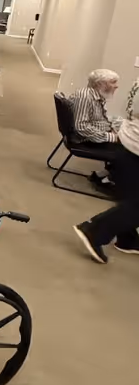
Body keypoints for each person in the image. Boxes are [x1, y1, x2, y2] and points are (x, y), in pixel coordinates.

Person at [73, 78, 139, 262]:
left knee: (132, 197)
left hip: (128, 142)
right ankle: (93, 231)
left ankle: (128, 240)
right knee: (136, 204)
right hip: (135, 149)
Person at [70, 69, 122, 144]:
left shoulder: (96, 96)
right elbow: (81, 127)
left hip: (101, 135)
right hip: (90, 142)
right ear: (100, 84)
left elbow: (98, 119)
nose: (117, 86)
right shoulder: (85, 96)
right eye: (113, 82)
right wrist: (113, 137)